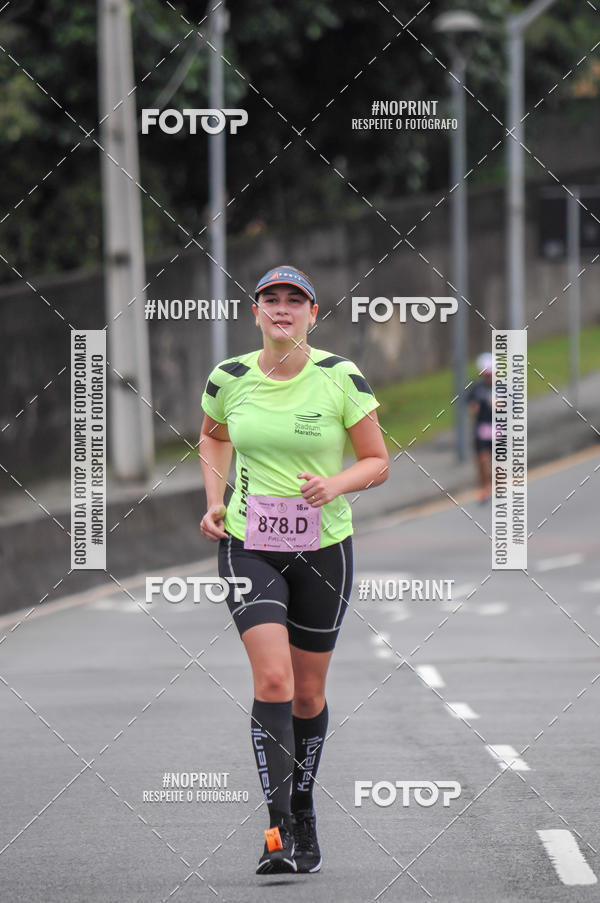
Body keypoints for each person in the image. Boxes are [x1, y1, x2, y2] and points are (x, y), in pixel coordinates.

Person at [199, 265, 389, 875]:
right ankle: (277, 827)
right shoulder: (229, 377)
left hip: (323, 547)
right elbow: (212, 436)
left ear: (312, 314)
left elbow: (377, 461)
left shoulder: (339, 377)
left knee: (308, 692)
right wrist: (214, 499)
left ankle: (303, 803)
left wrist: (334, 484)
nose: (282, 309)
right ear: (255, 312)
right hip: (247, 543)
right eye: (270, 299)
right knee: (274, 682)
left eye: (295, 301)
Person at [467, 352, 494, 503]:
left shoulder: (502, 388)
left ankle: (497, 485)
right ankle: (484, 487)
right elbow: (471, 406)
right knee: (482, 460)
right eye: (486, 375)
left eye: (490, 375)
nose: (488, 378)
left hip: (498, 429)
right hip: (482, 429)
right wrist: (475, 408)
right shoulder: (476, 388)